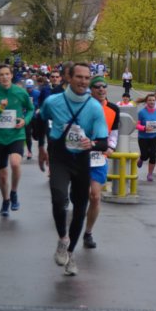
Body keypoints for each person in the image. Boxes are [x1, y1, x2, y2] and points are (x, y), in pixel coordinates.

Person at [38, 63, 109, 276]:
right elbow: (39, 120)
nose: (83, 81)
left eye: (87, 78)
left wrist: (92, 143)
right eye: (79, 77)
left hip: (81, 160)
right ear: (69, 78)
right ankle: (63, 239)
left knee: (80, 208)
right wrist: (41, 147)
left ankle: (70, 253)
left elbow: (103, 142)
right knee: (59, 199)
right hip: (59, 157)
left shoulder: (94, 107)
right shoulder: (53, 101)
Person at [0, 64, 34, 216]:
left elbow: (31, 109)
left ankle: (14, 192)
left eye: (7, 74)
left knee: (15, 163)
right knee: (3, 176)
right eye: (1, 74)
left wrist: (25, 120)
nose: (4, 77)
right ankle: (5, 200)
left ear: (11, 75)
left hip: (16, 135)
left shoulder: (20, 92)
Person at [82, 76, 120, 249]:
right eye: (97, 86)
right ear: (91, 90)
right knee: (81, 196)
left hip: (99, 156)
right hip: (81, 154)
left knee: (95, 196)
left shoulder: (113, 109)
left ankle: (88, 232)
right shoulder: (83, 106)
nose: (101, 89)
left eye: (104, 86)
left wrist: (111, 146)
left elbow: (114, 132)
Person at [136, 93, 156, 182]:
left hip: (155, 136)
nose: (152, 102)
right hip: (143, 137)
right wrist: (144, 128)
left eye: (153, 100)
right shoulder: (141, 112)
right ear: (146, 101)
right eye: (150, 100)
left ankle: (150, 174)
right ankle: (141, 158)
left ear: (155, 101)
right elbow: (137, 125)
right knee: (145, 155)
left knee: (153, 155)